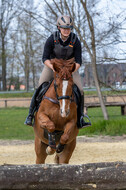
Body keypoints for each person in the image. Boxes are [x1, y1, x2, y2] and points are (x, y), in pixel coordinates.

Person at [24, 15, 91, 128]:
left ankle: (80, 118)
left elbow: (79, 61)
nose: (66, 31)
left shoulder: (75, 40)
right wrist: (52, 67)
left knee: (80, 90)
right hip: (53, 66)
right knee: (40, 86)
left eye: (69, 28)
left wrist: (71, 70)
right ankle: (30, 115)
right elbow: (44, 58)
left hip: (71, 68)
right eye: (64, 28)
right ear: (59, 28)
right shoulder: (51, 39)